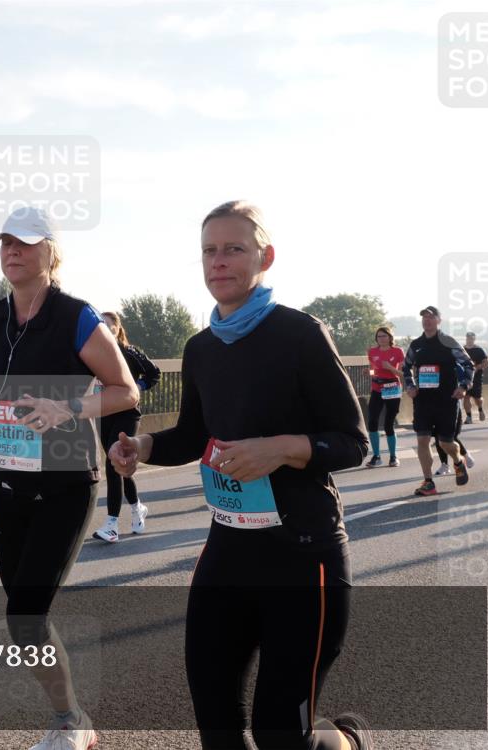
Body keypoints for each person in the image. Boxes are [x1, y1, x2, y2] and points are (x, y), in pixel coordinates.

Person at [109, 201, 374, 750]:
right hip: (227, 552)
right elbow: (193, 435)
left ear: (265, 257)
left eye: (234, 248)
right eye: (209, 250)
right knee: (217, 727)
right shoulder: (201, 348)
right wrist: (143, 446)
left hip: (303, 554)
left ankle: (347, 740)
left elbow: (353, 442)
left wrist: (280, 450)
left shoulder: (300, 333)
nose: (219, 261)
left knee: (282, 736)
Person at [0, 206, 138, 750]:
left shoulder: (76, 317)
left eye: (26, 242)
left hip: (64, 486)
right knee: (24, 623)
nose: (12, 250)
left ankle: (71, 723)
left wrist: (68, 407)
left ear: (51, 252)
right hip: (8, 487)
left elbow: (125, 391)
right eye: (5, 242)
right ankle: (72, 717)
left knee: (25, 615)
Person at [91, 311, 160, 542]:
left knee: (112, 466)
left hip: (128, 414)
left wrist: (137, 386)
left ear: (118, 329)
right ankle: (137, 508)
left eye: (109, 325)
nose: (105, 328)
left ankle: (111, 525)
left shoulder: (129, 352)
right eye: (101, 325)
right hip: (104, 414)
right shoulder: (93, 353)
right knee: (118, 465)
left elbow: (154, 372)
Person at [402, 307, 474, 497]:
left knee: (445, 443)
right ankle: (428, 482)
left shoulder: (449, 342)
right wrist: (410, 385)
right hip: (423, 400)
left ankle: (458, 461)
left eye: (431, 317)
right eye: (424, 317)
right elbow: (406, 367)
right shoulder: (416, 344)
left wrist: (464, 386)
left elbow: (468, 364)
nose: (427, 320)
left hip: (446, 400)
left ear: (439, 320)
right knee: (422, 439)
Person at [364, 326, 403, 468]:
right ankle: (376, 456)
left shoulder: (397, 351)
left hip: (392, 387)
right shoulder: (372, 352)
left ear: (390, 337)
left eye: (384, 336)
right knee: (372, 422)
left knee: (388, 424)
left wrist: (391, 368)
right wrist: (368, 372)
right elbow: (374, 371)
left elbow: (403, 374)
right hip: (377, 389)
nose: (381, 339)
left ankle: (393, 456)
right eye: (379, 336)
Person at [433, 359, 474, 476]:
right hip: (434, 405)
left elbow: (465, 381)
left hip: (452, 405)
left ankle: (465, 455)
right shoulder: (428, 363)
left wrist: (462, 389)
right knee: (437, 436)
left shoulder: (455, 365)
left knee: (451, 437)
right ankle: (444, 465)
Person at [462, 332, 488, 423]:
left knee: (477, 398)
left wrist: (477, 367)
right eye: (468, 338)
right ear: (466, 338)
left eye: (471, 338)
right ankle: (469, 417)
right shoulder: (462, 349)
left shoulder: (479, 350)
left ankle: (480, 409)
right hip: (466, 378)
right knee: (466, 397)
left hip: (477, 378)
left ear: (474, 339)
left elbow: (487, 362)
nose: (469, 340)